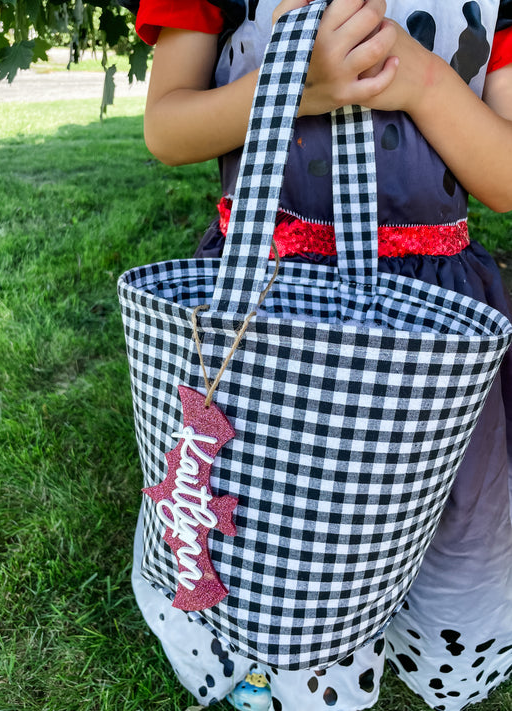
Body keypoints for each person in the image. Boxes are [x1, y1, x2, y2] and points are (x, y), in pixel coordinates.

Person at [129, 0, 512, 708]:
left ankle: (391, 633)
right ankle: (264, 647)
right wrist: (301, 85)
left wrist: (419, 80)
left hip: (425, 325)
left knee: (412, 506)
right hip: (261, 307)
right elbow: (166, 126)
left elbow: (504, 178)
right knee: (267, 504)